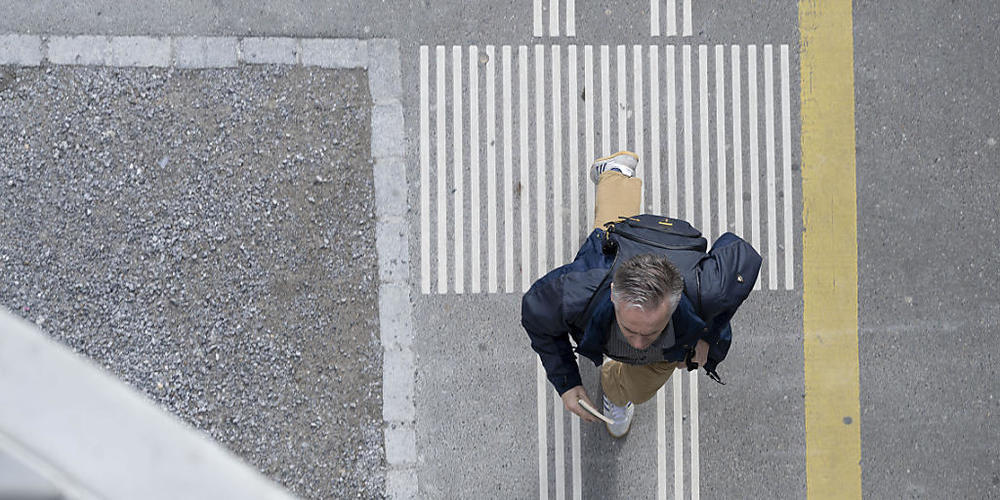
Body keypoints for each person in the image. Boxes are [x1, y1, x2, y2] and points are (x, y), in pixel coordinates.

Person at [521, 151, 760, 437]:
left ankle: (616, 391)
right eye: (630, 329)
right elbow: (535, 315)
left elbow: (744, 257)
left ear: (673, 304)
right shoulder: (579, 290)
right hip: (614, 256)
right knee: (611, 232)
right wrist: (567, 382)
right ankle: (616, 173)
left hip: (670, 329)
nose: (638, 344)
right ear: (613, 293)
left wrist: (708, 332)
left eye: (651, 332)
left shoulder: (707, 291)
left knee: (635, 387)